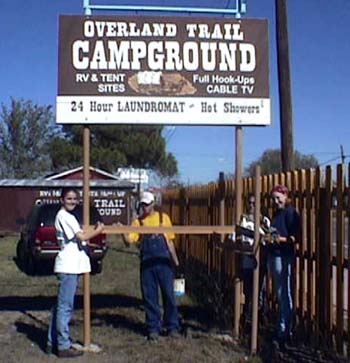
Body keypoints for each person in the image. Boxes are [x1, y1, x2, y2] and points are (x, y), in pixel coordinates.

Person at [47, 187, 104, 358]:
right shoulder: (65, 216)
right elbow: (81, 237)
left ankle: (52, 342)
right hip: (68, 266)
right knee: (65, 307)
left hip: (71, 265)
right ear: (62, 200)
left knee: (60, 306)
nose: (72, 201)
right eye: (69, 198)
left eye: (74, 199)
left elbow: (79, 235)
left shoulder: (67, 217)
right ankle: (63, 346)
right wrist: (98, 230)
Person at [121, 191, 180, 341]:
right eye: (143, 204)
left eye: (147, 204)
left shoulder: (163, 218)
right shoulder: (138, 222)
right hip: (147, 264)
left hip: (164, 262)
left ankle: (172, 326)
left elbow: (170, 241)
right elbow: (129, 241)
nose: (145, 207)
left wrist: (175, 261)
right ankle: (153, 328)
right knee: (150, 297)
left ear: (153, 204)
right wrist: (122, 231)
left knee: (169, 295)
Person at [267, 184, 301, 346]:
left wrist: (278, 239)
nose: (276, 201)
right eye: (273, 199)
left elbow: (294, 238)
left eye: (278, 198)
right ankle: (282, 327)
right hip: (274, 255)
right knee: (280, 293)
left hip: (283, 256)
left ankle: (284, 329)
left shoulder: (290, 213)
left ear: (286, 197)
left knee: (283, 293)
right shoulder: (277, 214)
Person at [239, 193, 268, 325]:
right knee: (247, 290)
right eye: (249, 203)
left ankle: (260, 318)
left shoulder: (264, 221)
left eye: (254, 203)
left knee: (260, 291)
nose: (251, 206)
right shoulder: (243, 220)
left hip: (259, 261)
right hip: (246, 260)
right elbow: (236, 236)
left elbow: (268, 238)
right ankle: (246, 317)